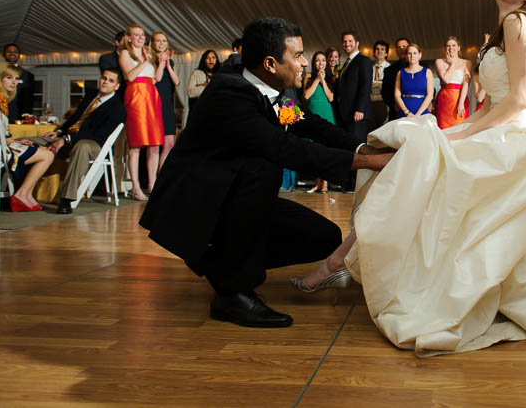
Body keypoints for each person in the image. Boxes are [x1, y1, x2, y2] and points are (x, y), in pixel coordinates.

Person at [294, 0, 526, 357]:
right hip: (502, 134)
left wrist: (461, 135)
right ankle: (346, 256)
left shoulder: (519, 21)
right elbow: (493, 104)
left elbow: (522, 100)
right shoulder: (511, 26)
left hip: (515, 145)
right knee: (417, 148)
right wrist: (456, 131)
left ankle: (342, 258)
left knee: (411, 156)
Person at [139, 17, 392, 328]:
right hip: (200, 208)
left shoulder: (269, 88)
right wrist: (367, 165)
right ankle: (231, 293)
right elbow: (285, 148)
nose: (303, 64)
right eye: (298, 55)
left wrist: (363, 150)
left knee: (324, 237)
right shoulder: (228, 94)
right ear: (271, 63)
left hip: (237, 198)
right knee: (264, 164)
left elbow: (310, 125)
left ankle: (220, 264)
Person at [43, 69, 128, 214]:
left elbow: (97, 135)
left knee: (82, 146)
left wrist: (66, 139)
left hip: (95, 145)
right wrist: (59, 132)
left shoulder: (117, 108)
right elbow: (75, 118)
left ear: (117, 86)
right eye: (104, 78)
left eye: (111, 80)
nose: (105, 82)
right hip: (71, 138)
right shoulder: (90, 96)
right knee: (37, 140)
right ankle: (21, 193)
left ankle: (66, 200)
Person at [118, 24, 163, 201]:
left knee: (154, 144)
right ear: (128, 38)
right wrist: (145, 61)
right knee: (136, 145)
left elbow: (156, 79)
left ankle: (152, 184)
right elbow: (129, 77)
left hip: (151, 96)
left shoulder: (148, 53)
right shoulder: (125, 53)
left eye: (142, 35)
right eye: (136, 35)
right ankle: (136, 187)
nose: (140, 37)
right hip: (136, 96)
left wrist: (161, 62)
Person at [0, 65, 54, 211]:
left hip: (4, 147)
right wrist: (10, 142)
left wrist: (15, 141)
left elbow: (3, 133)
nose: (14, 82)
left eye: (16, 79)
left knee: (44, 150)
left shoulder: (3, 100)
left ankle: (26, 194)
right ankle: (22, 194)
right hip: (1, 152)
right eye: (9, 77)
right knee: (47, 155)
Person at [302, 51, 336, 193]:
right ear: (314, 63)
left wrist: (323, 80)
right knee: (315, 148)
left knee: (326, 147)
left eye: (323, 60)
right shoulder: (309, 76)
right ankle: (317, 182)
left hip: (326, 111)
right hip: (313, 109)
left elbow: (331, 98)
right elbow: (306, 95)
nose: (320, 63)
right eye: (317, 60)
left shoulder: (330, 77)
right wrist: (316, 79)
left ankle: (325, 184)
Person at [335, 31, 373, 144]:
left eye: (350, 41)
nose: (347, 44)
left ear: (357, 43)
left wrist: (360, 109)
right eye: (344, 42)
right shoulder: (346, 63)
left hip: (357, 114)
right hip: (346, 113)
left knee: (357, 146)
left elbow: (365, 86)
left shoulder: (363, 60)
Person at [150, 32, 180, 169]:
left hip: (167, 105)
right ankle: (152, 182)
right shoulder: (149, 59)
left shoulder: (170, 61)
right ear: (152, 43)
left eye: (164, 41)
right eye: (158, 41)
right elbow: (157, 78)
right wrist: (161, 63)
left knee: (169, 144)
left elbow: (177, 81)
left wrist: (168, 64)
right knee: (155, 146)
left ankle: (161, 176)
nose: (162, 43)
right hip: (154, 104)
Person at [433, 36, 472, 129]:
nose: (451, 48)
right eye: (448, 46)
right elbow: (446, 80)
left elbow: (466, 84)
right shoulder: (439, 62)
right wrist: (453, 64)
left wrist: (461, 103)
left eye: (454, 45)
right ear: (445, 48)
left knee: (460, 128)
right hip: (445, 99)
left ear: (458, 47)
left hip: (460, 98)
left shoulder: (467, 63)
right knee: (443, 129)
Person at [394, 43, 434, 117]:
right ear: (406, 56)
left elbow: (430, 95)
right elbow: (397, 95)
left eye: (415, 53)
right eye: (409, 53)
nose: (412, 56)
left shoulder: (427, 72)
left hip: (422, 112)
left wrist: (418, 115)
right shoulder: (400, 73)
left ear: (420, 55)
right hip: (404, 112)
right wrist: (406, 112)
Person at [2, 43, 35, 121]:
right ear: (4, 54)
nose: (12, 53)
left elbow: (29, 100)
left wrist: (27, 117)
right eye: (9, 51)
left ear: (19, 55)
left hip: (18, 117)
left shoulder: (27, 75)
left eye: (15, 52)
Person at [381, 37, 410, 120]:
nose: (402, 49)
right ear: (396, 50)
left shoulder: (423, 67)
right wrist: (393, 105)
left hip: (418, 108)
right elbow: (385, 93)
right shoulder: (389, 70)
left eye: (404, 46)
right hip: (396, 111)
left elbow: (430, 89)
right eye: (399, 47)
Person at [368, 40, 390, 132]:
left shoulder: (390, 69)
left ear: (386, 53)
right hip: (370, 105)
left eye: (382, 49)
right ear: (374, 52)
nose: (379, 51)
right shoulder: (369, 68)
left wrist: (374, 86)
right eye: (377, 49)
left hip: (384, 105)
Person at [98, 31, 127, 99]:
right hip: (115, 96)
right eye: (125, 42)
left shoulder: (134, 59)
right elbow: (110, 77)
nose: (128, 44)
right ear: (117, 42)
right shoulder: (106, 58)